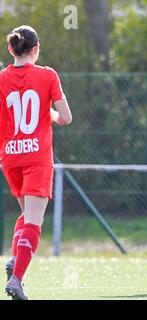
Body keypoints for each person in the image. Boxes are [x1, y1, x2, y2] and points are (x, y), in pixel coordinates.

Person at [0, 25, 72, 300]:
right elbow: (65, 117)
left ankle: (13, 260)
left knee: (26, 215)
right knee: (33, 221)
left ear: (11, 49)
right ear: (36, 49)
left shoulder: (1, 79)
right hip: (37, 157)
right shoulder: (47, 75)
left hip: (11, 157)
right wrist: (51, 115)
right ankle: (16, 279)